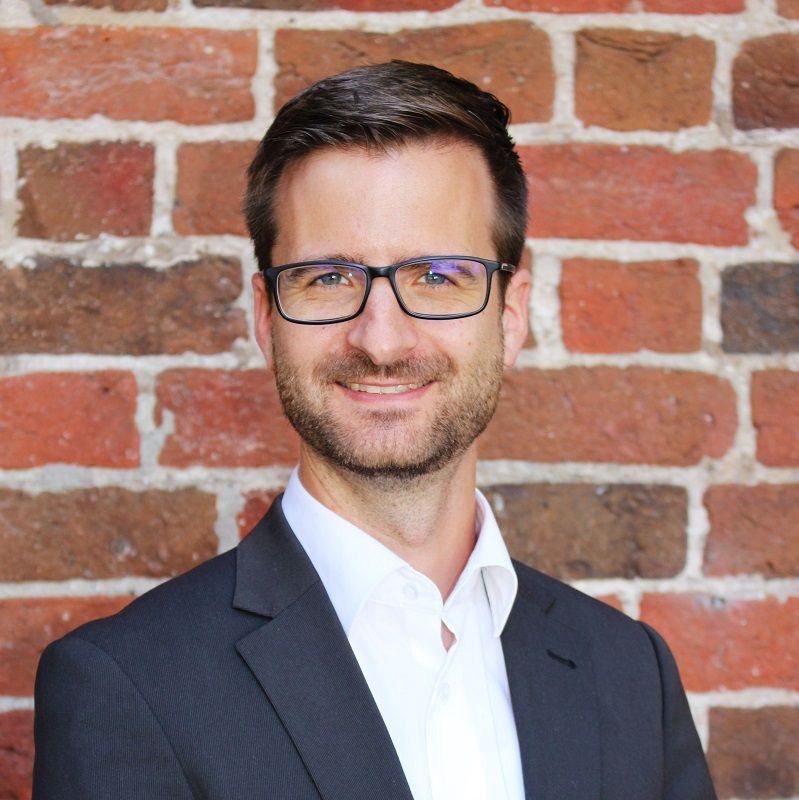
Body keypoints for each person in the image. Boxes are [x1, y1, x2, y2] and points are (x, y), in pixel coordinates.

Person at [32, 61, 717, 800]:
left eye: (437, 276)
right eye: (328, 278)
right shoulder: (128, 685)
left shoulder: (628, 673)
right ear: (265, 317)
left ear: (511, 314)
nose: (382, 342)